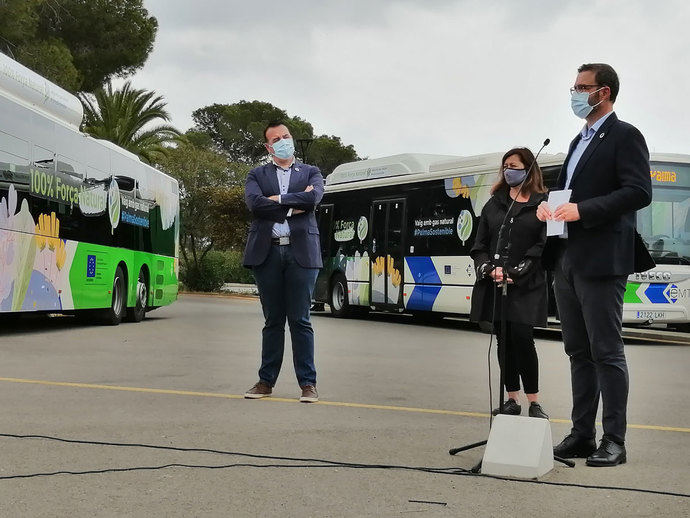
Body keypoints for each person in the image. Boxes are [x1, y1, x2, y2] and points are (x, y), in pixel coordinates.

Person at [537, 63, 653, 466]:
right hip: (567, 257)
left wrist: (581, 211)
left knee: (606, 351)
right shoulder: (577, 140)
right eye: (574, 85)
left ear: (603, 92)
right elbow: (570, 191)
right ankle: (582, 434)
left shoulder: (625, 135)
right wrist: (549, 207)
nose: (575, 92)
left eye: (582, 87)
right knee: (577, 351)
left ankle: (614, 440)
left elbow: (638, 192)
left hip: (602, 258)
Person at [243, 122, 324, 403]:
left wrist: (277, 200)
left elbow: (314, 197)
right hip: (267, 253)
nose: (283, 141)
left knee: (301, 320)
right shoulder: (256, 174)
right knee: (273, 320)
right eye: (276, 139)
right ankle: (265, 382)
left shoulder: (311, 172)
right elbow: (254, 204)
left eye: (286, 136)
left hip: (302, 253)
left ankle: (308, 384)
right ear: (268, 147)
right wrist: (293, 205)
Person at [470, 147, 549, 420]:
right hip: (497, 284)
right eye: (505, 166)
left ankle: (534, 401)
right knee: (504, 340)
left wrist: (519, 270)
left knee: (523, 339)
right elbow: (478, 245)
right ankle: (511, 398)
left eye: (513, 165)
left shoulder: (543, 203)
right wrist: (489, 269)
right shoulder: (494, 203)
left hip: (526, 285)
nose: (508, 170)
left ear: (528, 168)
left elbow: (544, 244)